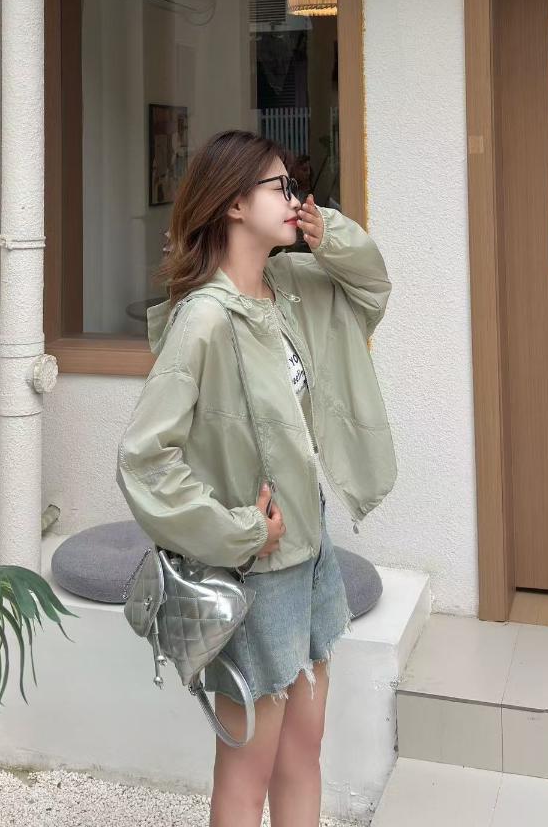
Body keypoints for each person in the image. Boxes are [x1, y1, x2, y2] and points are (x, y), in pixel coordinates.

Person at [116, 128, 397, 827]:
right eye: (282, 187)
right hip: (257, 570)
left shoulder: (292, 288)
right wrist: (239, 530)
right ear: (234, 204)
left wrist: (328, 233)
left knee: (305, 751)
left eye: (297, 187)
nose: (296, 198)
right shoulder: (204, 319)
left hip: (312, 551)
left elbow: (372, 289)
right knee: (248, 772)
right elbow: (145, 459)